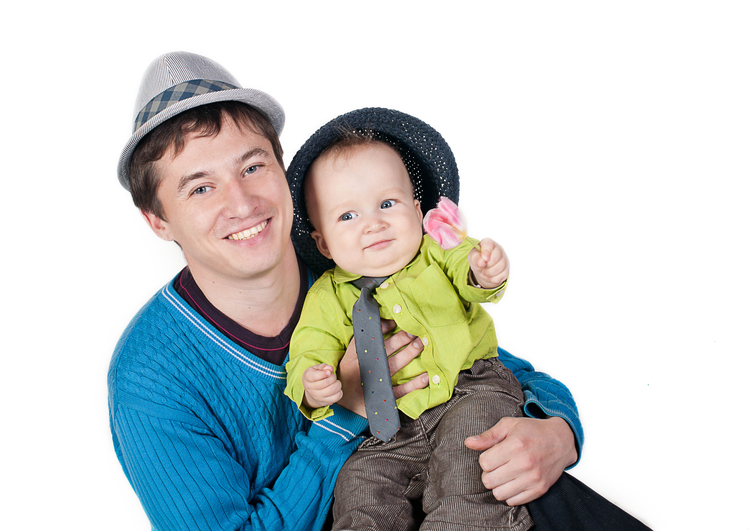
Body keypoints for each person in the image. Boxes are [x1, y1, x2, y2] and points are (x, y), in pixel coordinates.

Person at [109, 51, 649, 531]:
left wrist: (558, 433)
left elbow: (487, 362)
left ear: (282, 169)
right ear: (158, 220)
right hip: (377, 496)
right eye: (201, 187)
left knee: (511, 479)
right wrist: (346, 412)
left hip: (444, 481)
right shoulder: (151, 380)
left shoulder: (354, 266)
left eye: (253, 166)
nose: (243, 202)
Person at [283, 113, 530, 530]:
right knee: (360, 483)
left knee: (470, 467)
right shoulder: (328, 296)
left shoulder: (436, 251)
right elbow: (310, 344)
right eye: (347, 216)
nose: (373, 224)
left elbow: (464, 264)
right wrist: (313, 382)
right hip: (392, 426)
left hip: (470, 390)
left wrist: (482, 271)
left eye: (387, 204)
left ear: (417, 212)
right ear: (323, 242)